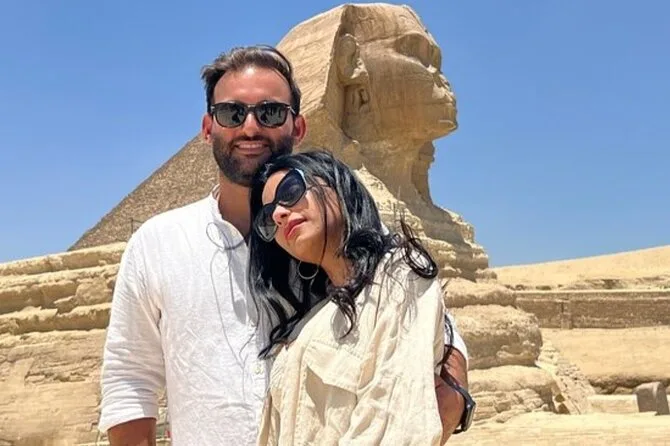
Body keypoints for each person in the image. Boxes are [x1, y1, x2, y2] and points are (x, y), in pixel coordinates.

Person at [98, 45, 471, 446]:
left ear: (298, 127)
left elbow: (432, 326)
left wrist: (455, 394)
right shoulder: (158, 243)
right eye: (232, 113)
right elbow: (129, 379)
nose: (250, 128)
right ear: (207, 128)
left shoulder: (341, 230)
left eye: (271, 112)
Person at [248, 150, 458, 445]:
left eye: (290, 190)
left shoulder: (398, 277)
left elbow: (393, 427)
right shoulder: (310, 321)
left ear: (337, 184)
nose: (278, 215)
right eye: (266, 218)